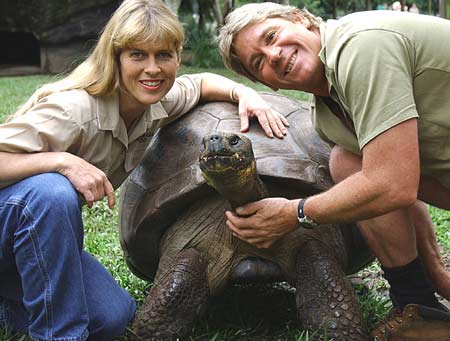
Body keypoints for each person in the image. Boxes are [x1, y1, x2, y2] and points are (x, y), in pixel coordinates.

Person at [0, 0, 288, 340]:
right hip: (15, 222)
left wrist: (245, 93)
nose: (153, 68)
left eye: (163, 55)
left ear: (177, 58)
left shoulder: (155, 102)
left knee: (112, 316)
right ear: (116, 57)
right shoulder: (74, 110)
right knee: (51, 192)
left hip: (28, 245)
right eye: (138, 55)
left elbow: (202, 83)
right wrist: (61, 161)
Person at [218, 2, 450, 339]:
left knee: (368, 171)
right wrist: (438, 276)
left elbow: (394, 183)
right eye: (259, 62)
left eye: (272, 36)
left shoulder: (362, 44)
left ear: (301, 20)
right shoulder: (326, 118)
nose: (275, 55)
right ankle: (417, 304)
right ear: (268, 85)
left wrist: (294, 211)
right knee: (346, 161)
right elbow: (401, 179)